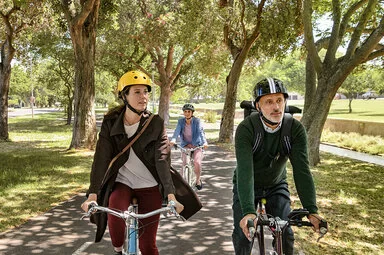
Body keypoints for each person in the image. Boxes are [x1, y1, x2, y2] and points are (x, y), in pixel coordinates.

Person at [81, 70, 184, 255]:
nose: (143, 97)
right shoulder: (110, 122)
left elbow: (162, 159)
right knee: (115, 210)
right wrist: (93, 194)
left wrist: (170, 194)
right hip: (123, 182)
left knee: (148, 246)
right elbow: (101, 158)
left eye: (145, 92)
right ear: (124, 95)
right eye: (137, 92)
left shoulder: (155, 123)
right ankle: (118, 249)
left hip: (150, 185)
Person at [232, 77, 325, 255]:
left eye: (279, 100)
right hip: (247, 184)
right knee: (244, 235)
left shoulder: (294, 129)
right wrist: (249, 212)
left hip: (276, 184)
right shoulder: (246, 129)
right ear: (258, 106)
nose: (276, 107)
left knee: (286, 234)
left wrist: (311, 210)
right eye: (268, 101)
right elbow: (245, 171)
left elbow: (302, 170)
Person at [169, 103, 208, 190]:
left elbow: (201, 132)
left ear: (192, 113)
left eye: (189, 111)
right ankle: (182, 182)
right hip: (186, 145)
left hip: (197, 145)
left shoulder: (197, 121)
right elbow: (177, 131)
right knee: (185, 163)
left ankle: (198, 180)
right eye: (185, 111)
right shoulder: (181, 121)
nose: (187, 113)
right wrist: (173, 139)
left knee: (197, 162)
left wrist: (204, 142)